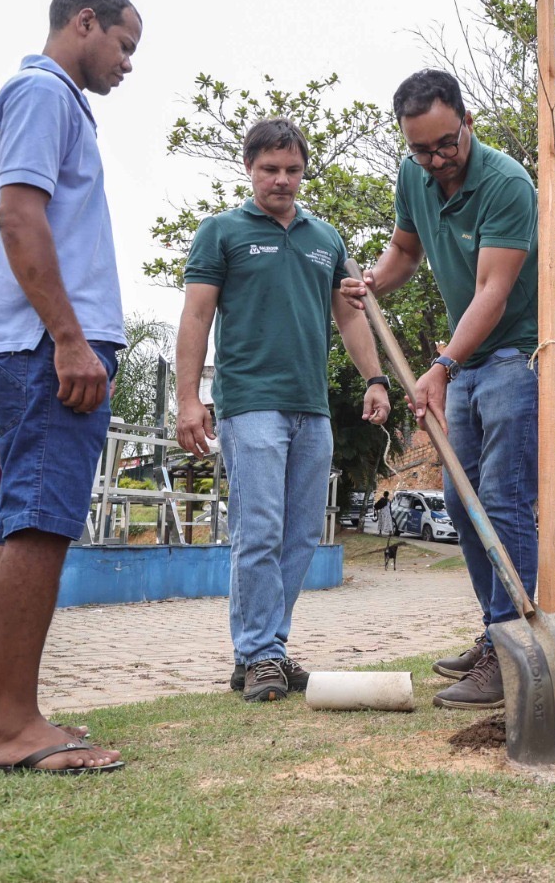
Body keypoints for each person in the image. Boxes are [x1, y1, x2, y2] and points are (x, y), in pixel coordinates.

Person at [0, 0, 141, 774]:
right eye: (124, 45)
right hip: (42, 344)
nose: (128, 63)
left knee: (15, 521)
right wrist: (69, 339)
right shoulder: (43, 94)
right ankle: (13, 728)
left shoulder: (43, 100)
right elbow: (18, 216)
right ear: (84, 22)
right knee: (38, 521)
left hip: (25, 340)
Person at [342, 68, 551, 710]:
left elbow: (493, 290)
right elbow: (405, 251)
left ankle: (513, 648)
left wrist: (441, 367)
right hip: (465, 361)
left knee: (504, 499)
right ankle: (495, 634)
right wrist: (375, 282)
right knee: (462, 504)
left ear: (467, 123)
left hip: (518, 354)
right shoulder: (417, 176)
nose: (435, 160)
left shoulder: (507, 184)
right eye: (420, 149)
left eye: (444, 145)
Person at [176, 118, 391, 704]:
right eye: (270, 169)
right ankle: (260, 653)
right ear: (249, 168)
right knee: (260, 530)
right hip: (251, 405)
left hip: (311, 408)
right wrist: (189, 398)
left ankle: (266, 648)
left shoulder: (326, 239)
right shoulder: (221, 232)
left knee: (300, 536)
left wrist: (374, 378)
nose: (282, 179)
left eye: (292, 169)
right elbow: (196, 316)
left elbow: (349, 314)